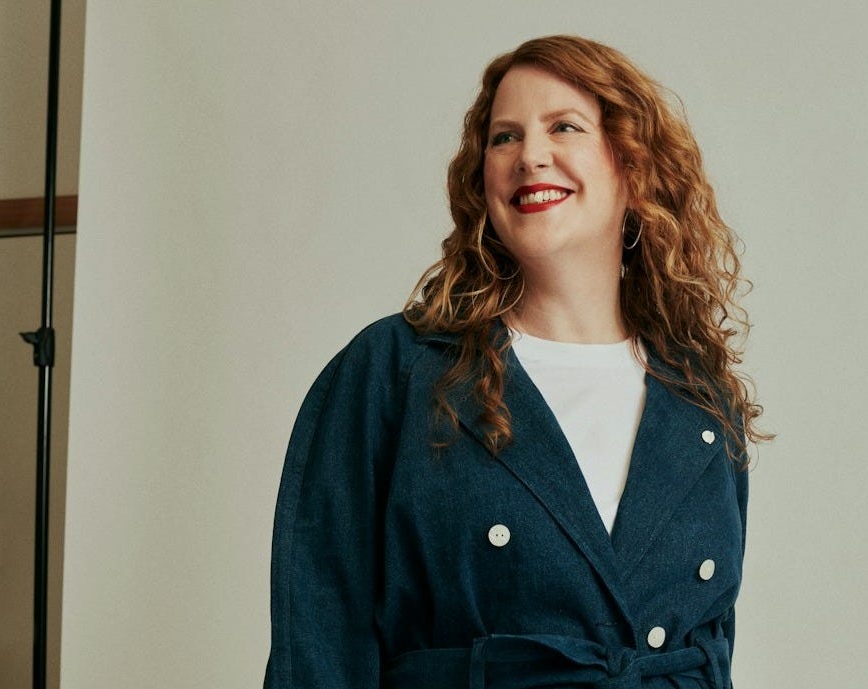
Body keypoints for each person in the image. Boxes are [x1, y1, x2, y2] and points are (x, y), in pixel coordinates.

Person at [264, 35, 768, 689]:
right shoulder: (395, 372)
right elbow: (318, 644)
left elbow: (712, 649)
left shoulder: (700, 399)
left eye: (564, 126)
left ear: (634, 168)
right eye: (504, 137)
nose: (530, 155)